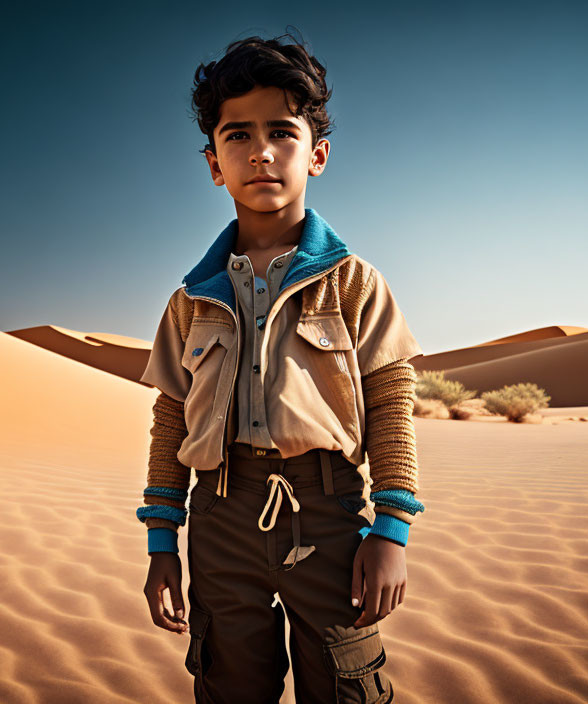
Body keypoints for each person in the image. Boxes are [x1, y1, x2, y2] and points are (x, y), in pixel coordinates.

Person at [137, 30, 424, 704]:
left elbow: (391, 404)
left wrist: (391, 529)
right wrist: (160, 545)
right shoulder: (190, 300)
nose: (260, 151)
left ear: (317, 154)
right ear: (214, 163)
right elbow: (169, 421)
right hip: (219, 515)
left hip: (325, 511)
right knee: (229, 681)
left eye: (282, 132)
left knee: (345, 682)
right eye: (237, 135)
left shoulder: (355, 283)